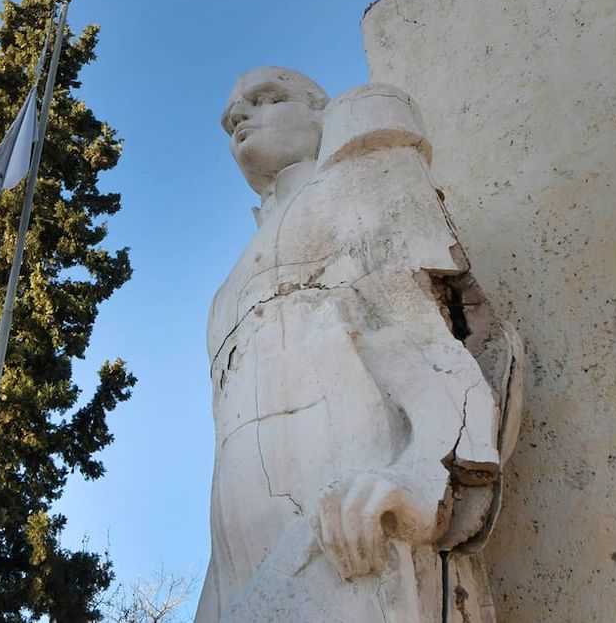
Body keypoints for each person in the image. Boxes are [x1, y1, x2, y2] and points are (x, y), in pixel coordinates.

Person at [196, 67, 522, 622]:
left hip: (356, 513)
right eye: (232, 118)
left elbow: (437, 336)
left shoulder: (365, 180)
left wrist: (420, 473)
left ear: (321, 111)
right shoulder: (224, 289)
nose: (240, 120)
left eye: (265, 99)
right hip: (244, 550)